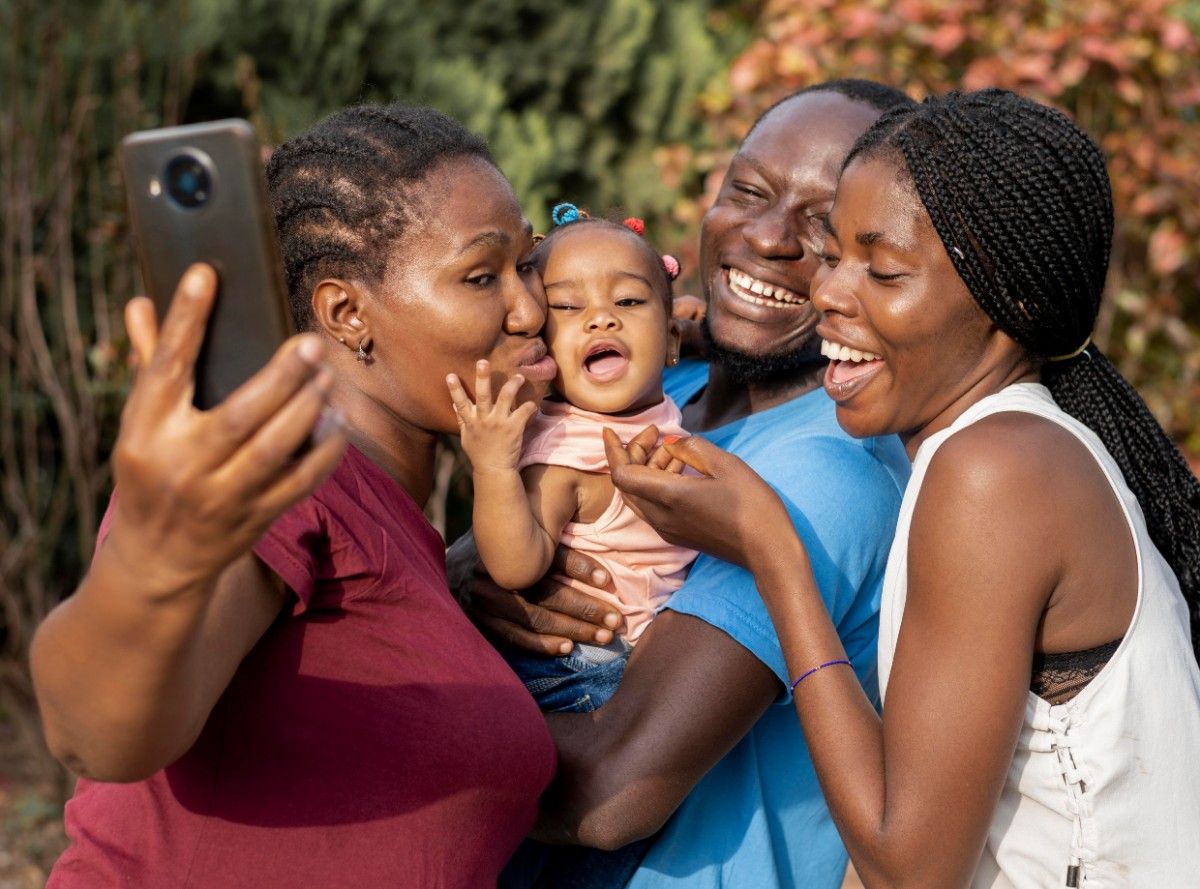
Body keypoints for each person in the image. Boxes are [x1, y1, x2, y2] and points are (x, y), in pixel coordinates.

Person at [607, 89, 1200, 887]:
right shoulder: (991, 451)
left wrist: (776, 555)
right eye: (839, 254)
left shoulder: (996, 470)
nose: (829, 292)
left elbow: (908, 871)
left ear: (1009, 304)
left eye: (881, 270)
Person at [32, 104, 561, 888]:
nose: (531, 307)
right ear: (347, 314)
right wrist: (154, 556)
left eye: (530, 263)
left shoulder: (413, 537)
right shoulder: (286, 480)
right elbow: (99, 734)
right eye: (483, 276)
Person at [456, 79, 916, 889]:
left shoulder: (823, 468)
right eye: (748, 190)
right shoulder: (662, 391)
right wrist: (468, 572)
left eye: (824, 222)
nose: (770, 237)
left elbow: (608, 787)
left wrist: (359, 721)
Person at [449, 206, 692, 714]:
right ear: (542, 347)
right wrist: (493, 470)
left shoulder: (665, 416)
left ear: (671, 340)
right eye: (567, 307)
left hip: (643, 657)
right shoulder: (561, 453)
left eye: (627, 300)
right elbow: (516, 567)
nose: (602, 317)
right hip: (580, 669)